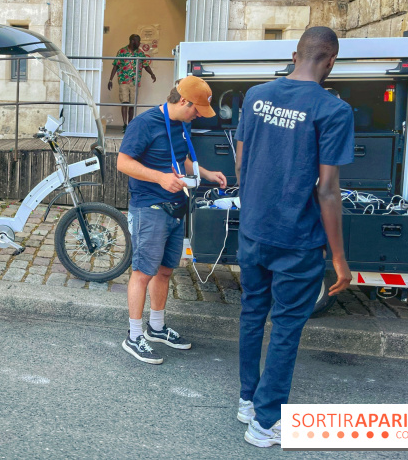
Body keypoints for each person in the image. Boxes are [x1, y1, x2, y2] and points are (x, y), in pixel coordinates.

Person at [233, 26, 353, 447]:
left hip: (253, 230)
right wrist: (339, 258)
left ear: (295, 52)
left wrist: (253, 208)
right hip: (297, 239)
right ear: (331, 61)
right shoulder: (334, 111)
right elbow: (327, 190)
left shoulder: (256, 96)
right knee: (285, 327)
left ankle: (249, 399)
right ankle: (264, 423)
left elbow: (242, 162)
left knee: (252, 313)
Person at [117, 77, 227, 364]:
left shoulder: (182, 123)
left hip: (176, 207)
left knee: (166, 271)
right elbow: (123, 162)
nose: (199, 115)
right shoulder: (144, 124)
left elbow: (183, 160)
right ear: (183, 101)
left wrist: (207, 173)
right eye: (197, 110)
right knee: (143, 273)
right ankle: (134, 335)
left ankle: (156, 328)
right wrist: (160, 178)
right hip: (149, 208)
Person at [107, 34, 157, 132]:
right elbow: (115, 66)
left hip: (135, 82)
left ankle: (130, 125)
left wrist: (152, 74)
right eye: (138, 41)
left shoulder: (140, 53)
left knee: (132, 104)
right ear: (132, 41)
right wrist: (110, 80)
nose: (139, 43)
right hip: (123, 81)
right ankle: (125, 124)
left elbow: (145, 65)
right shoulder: (122, 51)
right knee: (124, 102)